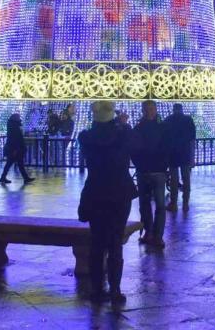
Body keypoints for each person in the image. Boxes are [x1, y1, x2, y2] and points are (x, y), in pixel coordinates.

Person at [78, 101, 137, 303]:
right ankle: (115, 290)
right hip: (119, 194)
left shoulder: (85, 137)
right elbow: (130, 142)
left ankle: (96, 289)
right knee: (115, 243)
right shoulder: (123, 134)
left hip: (95, 193)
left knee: (97, 242)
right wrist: (122, 124)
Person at [131, 100, 168, 247]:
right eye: (147, 109)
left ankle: (154, 234)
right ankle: (152, 233)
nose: (150, 111)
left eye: (151, 109)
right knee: (148, 204)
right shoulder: (145, 128)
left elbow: (167, 148)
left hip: (153, 171)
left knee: (155, 204)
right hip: (148, 170)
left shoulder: (141, 129)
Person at [164, 103, 196, 211]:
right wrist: (192, 156)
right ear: (182, 109)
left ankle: (173, 203)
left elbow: (165, 137)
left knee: (174, 179)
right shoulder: (188, 120)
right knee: (186, 178)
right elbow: (192, 137)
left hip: (173, 153)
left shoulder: (168, 120)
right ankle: (185, 203)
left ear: (173, 109)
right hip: (185, 153)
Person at [0, 113, 34, 185]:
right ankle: (25, 178)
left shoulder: (13, 125)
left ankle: (25, 178)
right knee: (12, 163)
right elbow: (15, 138)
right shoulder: (14, 127)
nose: (20, 118)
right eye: (18, 117)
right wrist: (16, 148)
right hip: (15, 148)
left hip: (15, 148)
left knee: (15, 163)